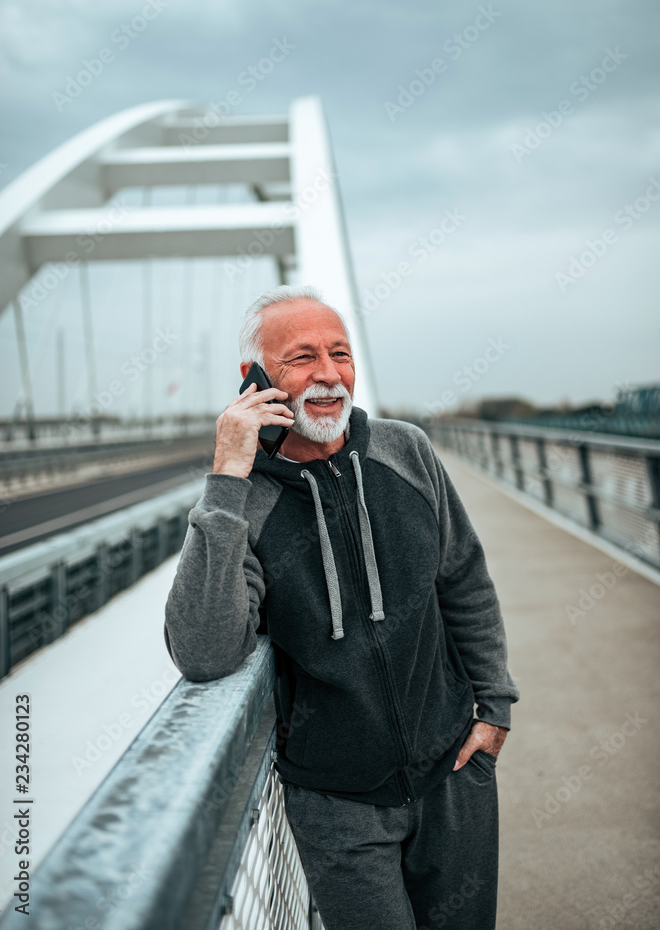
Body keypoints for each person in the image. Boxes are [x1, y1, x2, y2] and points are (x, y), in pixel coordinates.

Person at [163, 284, 520, 930]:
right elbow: (205, 651)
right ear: (255, 380)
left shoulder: (405, 451)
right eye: (302, 358)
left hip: (455, 777)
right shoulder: (244, 504)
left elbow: (464, 577)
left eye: (340, 354)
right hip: (338, 809)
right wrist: (224, 478)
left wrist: (494, 708)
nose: (329, 375)